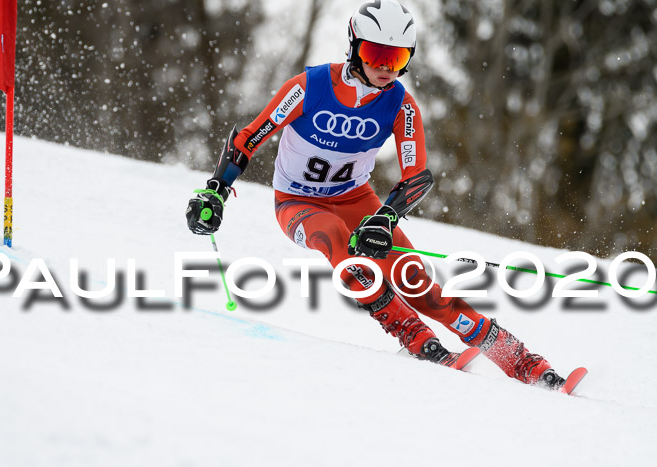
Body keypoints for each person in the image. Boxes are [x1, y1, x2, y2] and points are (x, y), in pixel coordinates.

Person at [186, 0, 566, 387]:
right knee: (338, 241)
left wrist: (384, 219)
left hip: (357, 199)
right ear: (354, 48)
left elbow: (416, 175)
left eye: (397, 57)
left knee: (417, 282)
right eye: (375, 54)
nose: (385, 67)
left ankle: (520, 361)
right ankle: (415, 337)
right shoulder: (308, 87)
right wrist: (216, 190)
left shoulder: (401, 105)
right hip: (298, 202)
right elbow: (250, 137)